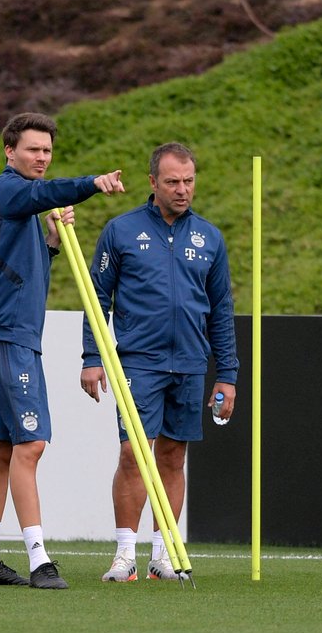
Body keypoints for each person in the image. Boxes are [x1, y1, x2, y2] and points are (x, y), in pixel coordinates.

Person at [0, 112, 126, 589]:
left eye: (47, 150)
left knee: (1, 446)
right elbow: (46, 194)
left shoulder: (16, 203)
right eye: (33, 149)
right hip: (7, 334)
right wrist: (92, 183)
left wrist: (52, 245)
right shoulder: (10, 190)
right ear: (9, 151)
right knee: (31, 444)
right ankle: (40, 559)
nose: (41, 157)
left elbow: (22, 271)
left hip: (11, 333)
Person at [80, 142, 239, 583]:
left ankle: (163, 554)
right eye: (172, 182)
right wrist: (92, 356)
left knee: (172, 457)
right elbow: (96, 298)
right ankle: (124, 555)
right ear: (153, 182)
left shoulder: (209, 237)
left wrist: (227, 374)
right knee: (133, 454)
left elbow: (221, 310)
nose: (182, 189)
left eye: (188, 181)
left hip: (190, 363)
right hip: (138, 362)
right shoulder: (121, 230)